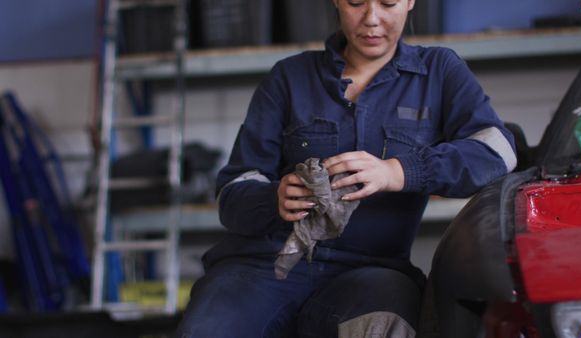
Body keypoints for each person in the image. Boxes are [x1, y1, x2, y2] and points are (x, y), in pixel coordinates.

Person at [175, 0, 517, 337]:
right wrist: (273, 199)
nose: (371, 19)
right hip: (264, 267)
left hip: (372, 272)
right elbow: (233, 190)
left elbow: (496, 152)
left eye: (388, 3)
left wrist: (399, 171)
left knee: (385, 326)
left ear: (410, 2)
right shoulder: (289, 77)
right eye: (356, 2)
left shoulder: (439, 71)